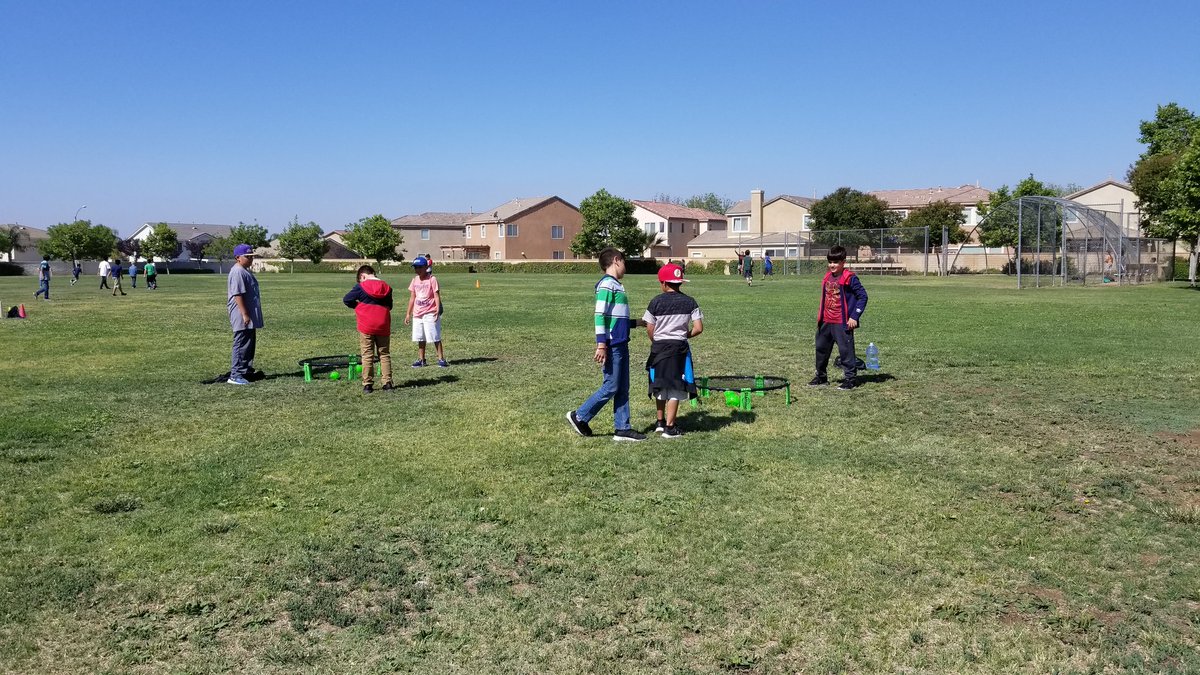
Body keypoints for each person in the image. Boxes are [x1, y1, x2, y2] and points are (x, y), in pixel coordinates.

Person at [567, 247, 647, 442]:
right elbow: (600, 315)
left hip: (621, 342)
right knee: (611, 386)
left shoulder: (617, 285)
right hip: (612, 344)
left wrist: (636, 323)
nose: (625, 267)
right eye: (625, 262)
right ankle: (579, 416)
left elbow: (615, 318)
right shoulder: (607, 285)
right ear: (616, 260)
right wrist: (601, 344)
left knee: (622, 387)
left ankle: (622, 428)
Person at [643, 263, 703, 439]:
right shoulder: (690, 302)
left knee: (659, 383)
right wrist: (684, 335)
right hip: (680, 348)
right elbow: (698, 328)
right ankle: (671, 427)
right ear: (680, 283)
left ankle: (660, 423)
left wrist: (656, 339)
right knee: (676, 386)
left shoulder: (655, 302)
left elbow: (649, 327)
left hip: (659, 348)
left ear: (663, 283)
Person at [811, 245, 868, 390]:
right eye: (830, 262)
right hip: (826, 321)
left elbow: (863, 296)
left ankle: (850, 379)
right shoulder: (827, 276)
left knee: (846, 351)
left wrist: (854, 316)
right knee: (821, 349)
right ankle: (821, 377)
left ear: (843, 262)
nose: (832, 265)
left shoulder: (850, 278)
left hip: (842, 322)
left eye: (835, 262)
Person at [343, 264, 394, 393]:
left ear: (362, 276)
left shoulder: (361, 287)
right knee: (384, 354)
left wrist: (358, 306)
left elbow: (347, 299)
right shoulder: (387, 287)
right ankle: (387, 382)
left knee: (367, 355)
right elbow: (390, 306)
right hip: (383, 324)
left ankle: (368, 384)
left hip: (366, 325)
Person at [226, 244, 263, 385]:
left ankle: (245, 370)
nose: (250, 260)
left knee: (249, 343)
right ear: (237, 258)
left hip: (248, 314)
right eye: (247, 257)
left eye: (251, 257)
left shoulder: (244, 270)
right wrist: (245, 314)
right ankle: (235, 375)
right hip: (241, 313)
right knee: (241, 343)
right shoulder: (237, 272)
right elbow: (238, 294)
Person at [404, 256, 448, 368]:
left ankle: (441, 359)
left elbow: (436, 295)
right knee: (420, 337)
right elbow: (412, 298)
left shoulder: (432, 279)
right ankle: (421, 359)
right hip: (418, 313)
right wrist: (408, 314)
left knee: (435, 336)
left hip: (430, 312)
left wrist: (437, 310)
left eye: (419, 267)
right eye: (415, 267)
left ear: (426, 267)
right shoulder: (414, 280)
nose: (417, 270)